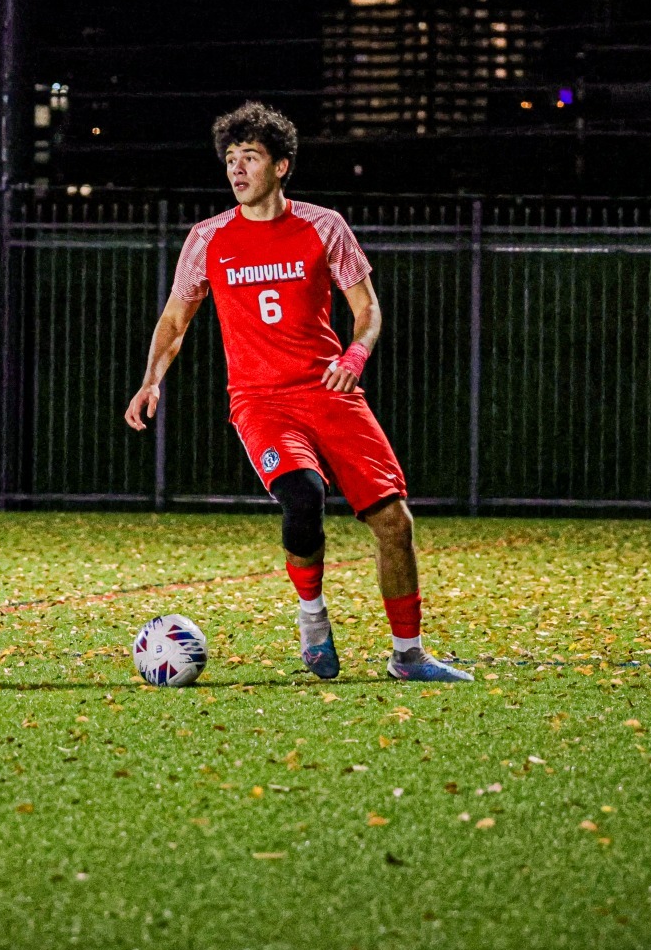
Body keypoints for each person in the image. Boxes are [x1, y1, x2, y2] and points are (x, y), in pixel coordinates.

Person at [122, 101, 472, 683]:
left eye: (250, 157)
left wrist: (355, 354)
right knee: (304, 496)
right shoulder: (207, 238)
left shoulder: (324, 226)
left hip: (331, 394)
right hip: (260, 402)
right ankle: (313, 622)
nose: (237, 169)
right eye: (230, 159)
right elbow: (175, 320)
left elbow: (367, 310)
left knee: (395, 522)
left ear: (281, 165)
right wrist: (150, 380)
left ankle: (408, 657)